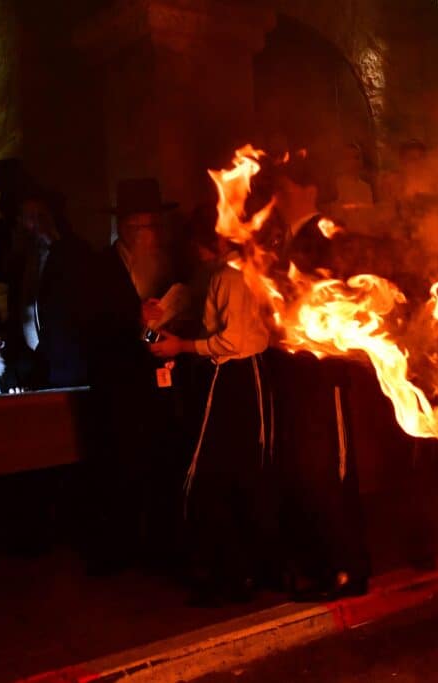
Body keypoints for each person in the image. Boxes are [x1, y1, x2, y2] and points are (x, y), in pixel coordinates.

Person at [149, 222, 274, 604]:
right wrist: (156, 327)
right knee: (230, 475)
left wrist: (182, 347)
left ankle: (237, 575)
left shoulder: (230, 276)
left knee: (218, 476)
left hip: (234, 375)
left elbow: (231, 341)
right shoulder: (216, 276)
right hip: (229, 376)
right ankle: (241, 572)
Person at [266, 154, 370, 600]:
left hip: (322, 372)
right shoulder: (282, 239)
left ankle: (346, 568)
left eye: (285, 189)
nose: (279, 198)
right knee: (306, 471)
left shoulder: (325, 236)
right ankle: (319, 562)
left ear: (307, 190)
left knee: (331, 468)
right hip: (293, 371)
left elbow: (341, 302)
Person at [82, 177, 178, 574]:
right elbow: (89, 325)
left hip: (160, 382)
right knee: (122, 466)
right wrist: (132, 321)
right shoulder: (100, 268)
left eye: (156, 225)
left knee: (161, 462)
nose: (151, 235)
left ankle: (160, 546)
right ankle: (120, 551)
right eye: (143, 226)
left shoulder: (169, 266)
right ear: (124, 228)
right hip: (119, 387)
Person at [12, 181, 95, 387]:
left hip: (66, 357)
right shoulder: (24, 258)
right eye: (29, 217)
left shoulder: (71, 252)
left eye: (41, 215)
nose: (36, 223)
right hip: (36, 358)